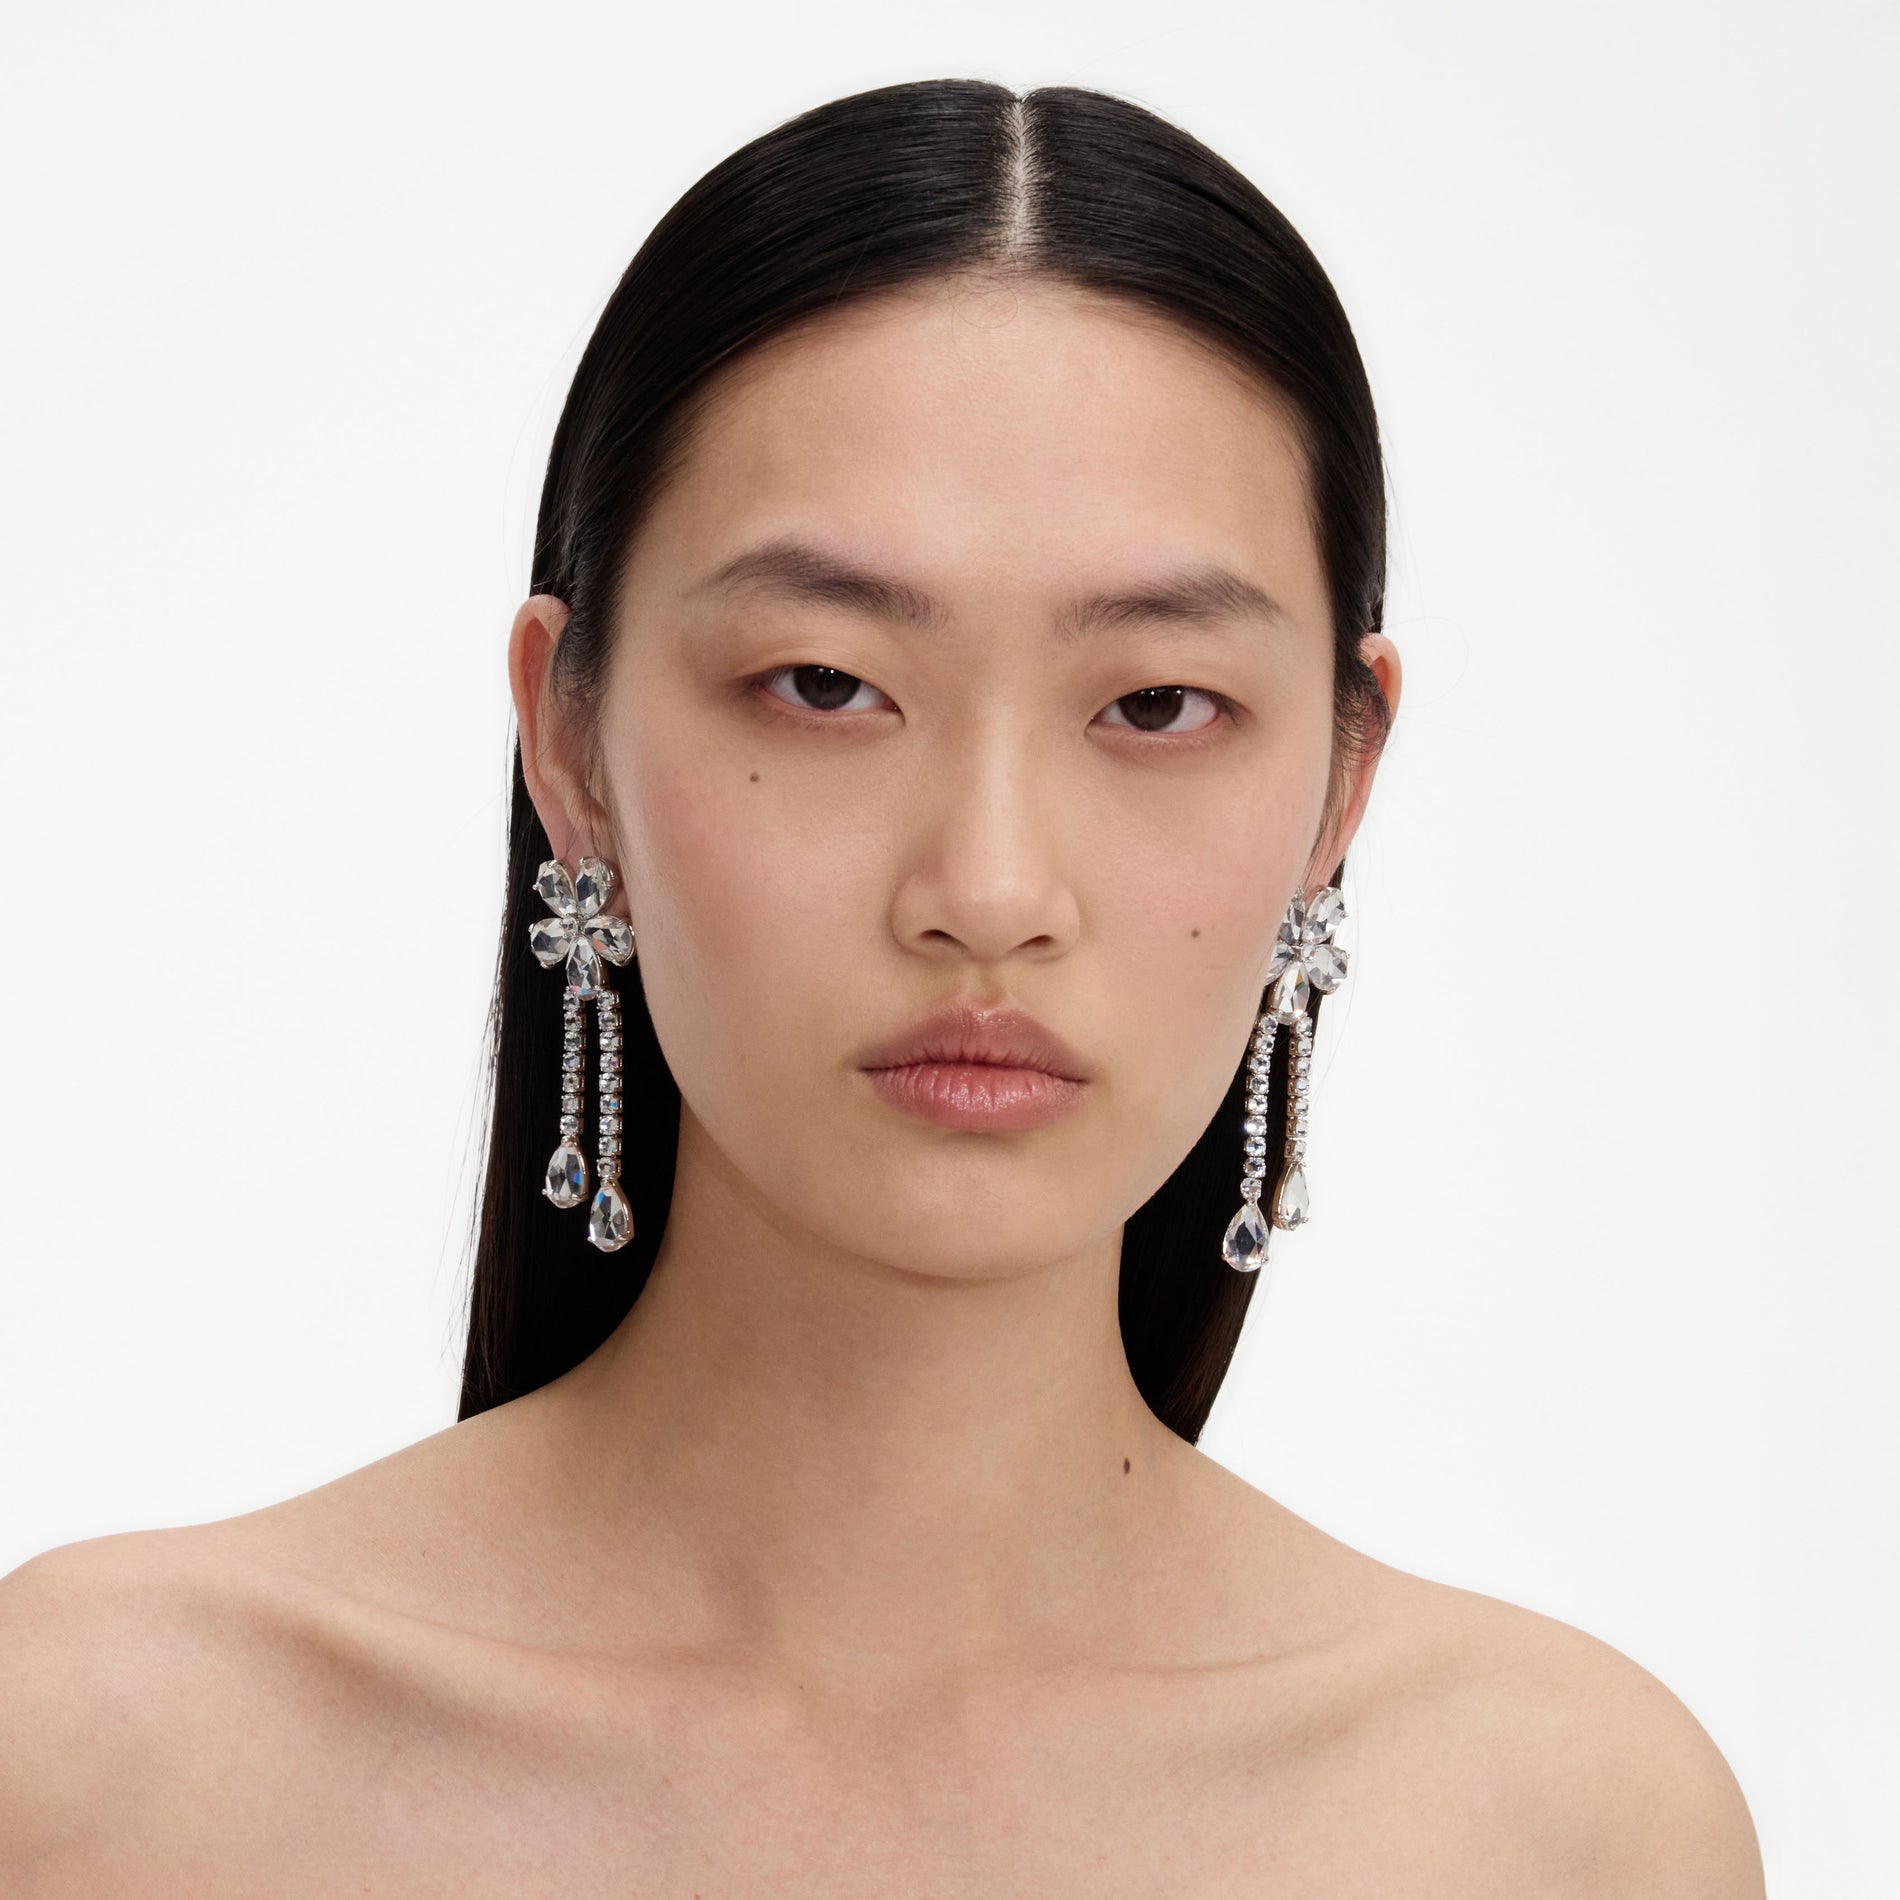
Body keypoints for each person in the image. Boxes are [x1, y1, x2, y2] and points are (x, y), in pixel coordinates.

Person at [0, 78, 1762, 1894]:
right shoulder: (101, 1766)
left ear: (1343, 782)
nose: (989, 890)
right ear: (570, 736)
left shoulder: (1560, 1827)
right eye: (827, 686)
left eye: (1157, 704)